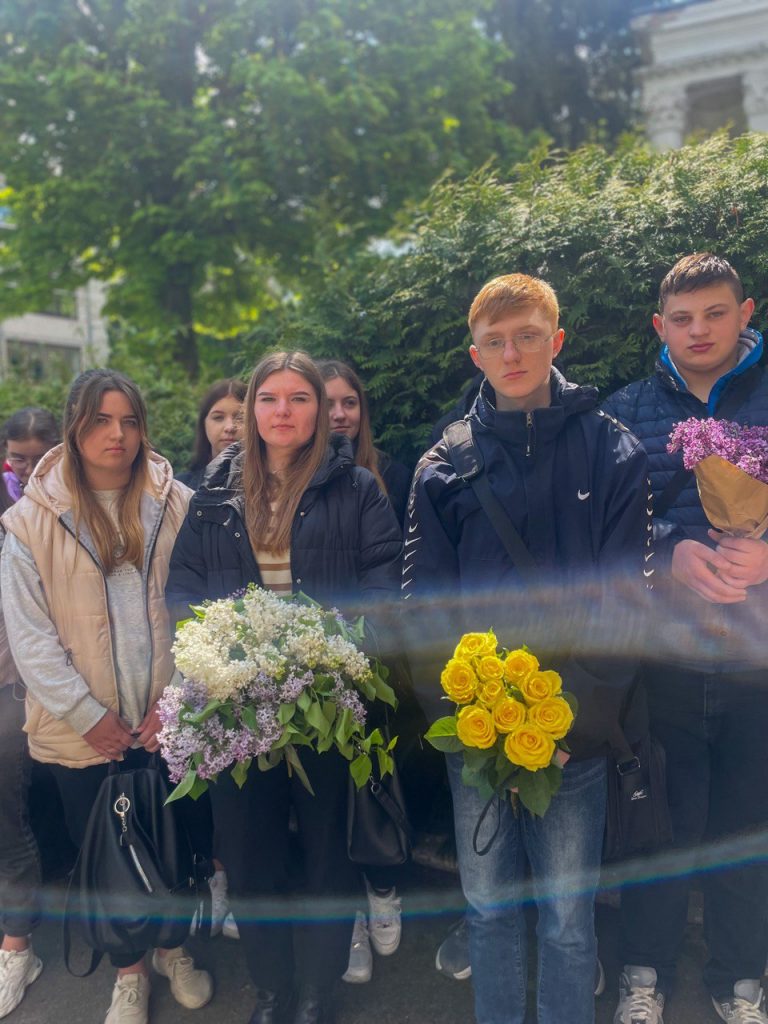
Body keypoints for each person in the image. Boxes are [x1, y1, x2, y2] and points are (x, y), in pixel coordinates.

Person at [404, 273, 650, 1024]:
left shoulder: (612, 451)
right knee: (488, 911)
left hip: (576, 739)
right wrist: (472, 730)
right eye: (495, 342)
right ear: (475, 354)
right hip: (476, 740)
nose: (511, 354)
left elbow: (625, 605)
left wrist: (573, 725)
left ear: (557, 341)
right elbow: (422, 615)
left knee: (569, 920)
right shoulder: (441, 466)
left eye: (528, 337)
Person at [166, 351, 402, 1024]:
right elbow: (183, 589)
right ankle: (271, 990)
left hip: (324, 702)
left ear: (320, 411)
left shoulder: (356, 488)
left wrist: (328, 659)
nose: (283, 412)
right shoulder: (214, 490)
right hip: (236, 708)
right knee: (249, 860)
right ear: (251, 410)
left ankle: (318, 992)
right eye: (269, 398)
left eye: (299, 399)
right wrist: (218, 653)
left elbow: (384, 590)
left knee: (328, 857)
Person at [0, 369, 213, 1024]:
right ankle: (129, 972)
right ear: (74, 425)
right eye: (100, 419)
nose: (117, 434)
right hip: (80, 732)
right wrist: (87, 716)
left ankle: (174, 949)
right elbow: (29, 635)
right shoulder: (31, 520)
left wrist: (174, 703)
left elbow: (205, 611)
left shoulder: (177, 503)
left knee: (176, 840)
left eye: (129, 420)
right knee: (109, 853)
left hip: (166, 721)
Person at [603, 252, 768, 1024]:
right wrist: (667, 551)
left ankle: (740, 980)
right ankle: (644, 974)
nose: (698, 330)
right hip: (663, 661)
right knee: (656, 829)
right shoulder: (624, 411)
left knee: (747, 830)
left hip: (756, 662)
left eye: (714, 313)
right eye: (681, 318)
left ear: (746, 312)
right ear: (658, 326)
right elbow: (605, 529)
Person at [0, 408, 60, 1017]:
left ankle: (17, 942)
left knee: (8, 818)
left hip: (19, 683)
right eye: (17, 456)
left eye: (38, 454)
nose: (26, 466)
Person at [318, 360, 411, 525]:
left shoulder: (394, 477)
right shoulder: (295, 475)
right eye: (327, 404)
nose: (339, 414)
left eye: (350, 403)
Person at [178, 378, 247, 490]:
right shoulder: (181, 488)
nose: (229, 427)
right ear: (203, 423)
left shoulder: (271, 487)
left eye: (239, 417)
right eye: (218, 417)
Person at [2, 407, 60, 501]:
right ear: (6, 450)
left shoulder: (72, 491)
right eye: (19, 460)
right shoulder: (5, 488)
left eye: (40, 461)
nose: (30, 471)